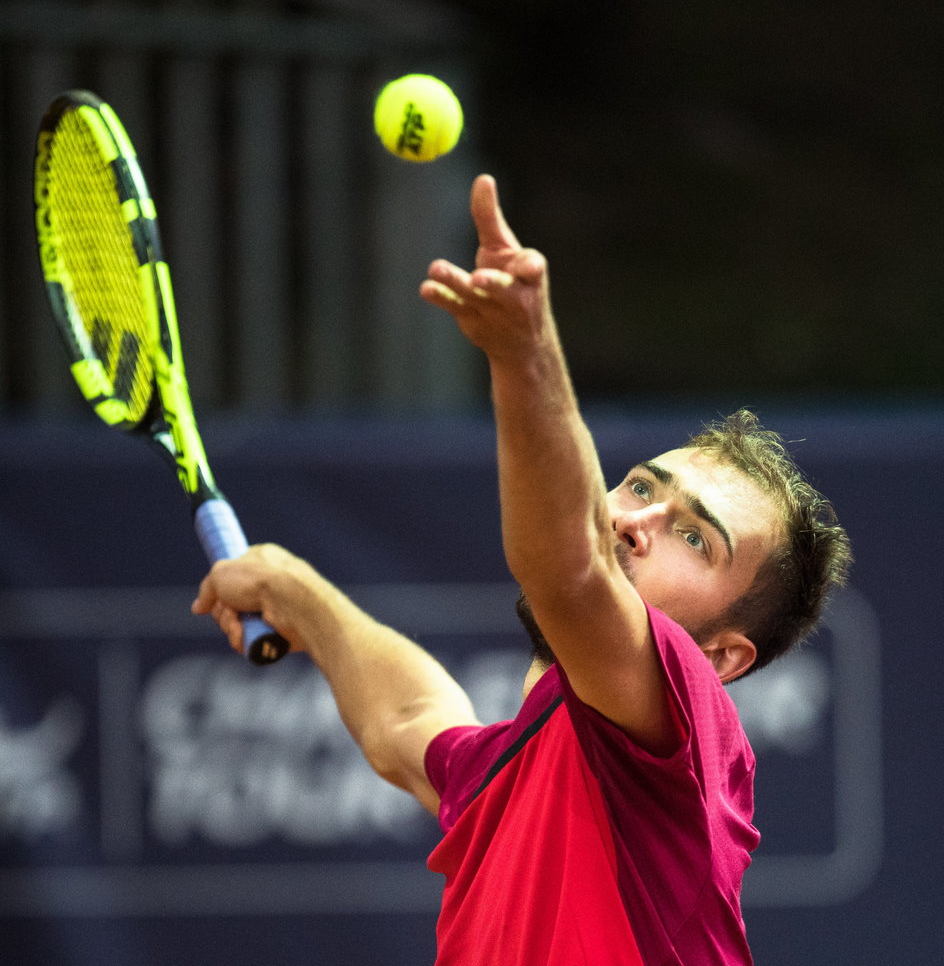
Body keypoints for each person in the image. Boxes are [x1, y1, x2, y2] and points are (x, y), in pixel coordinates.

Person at [192, 174, 852, 965]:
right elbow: (409, 726)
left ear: (721, 657)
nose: (634, 522)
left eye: (694, 539)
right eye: (641, 487)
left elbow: (571, 572)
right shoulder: (514, 774)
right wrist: (295, 592)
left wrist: (525, 353)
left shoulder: (682, 742)